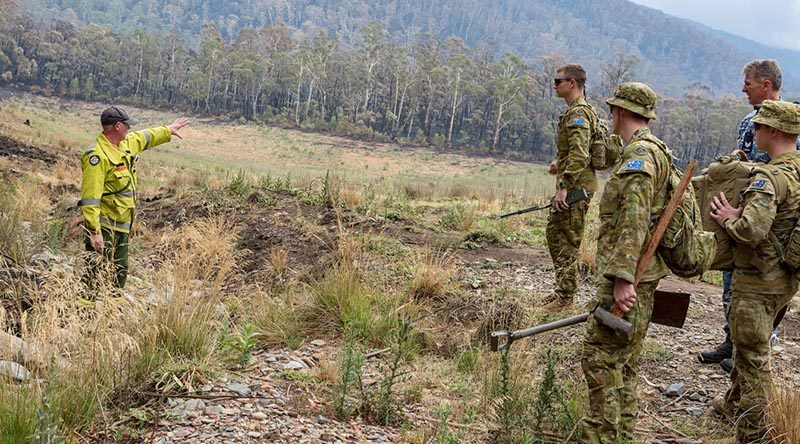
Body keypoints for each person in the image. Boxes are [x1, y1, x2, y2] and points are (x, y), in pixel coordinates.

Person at [579, 82, 671, 442]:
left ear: (620, 112)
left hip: (630, 277)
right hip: (641, 275)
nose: (611, 114)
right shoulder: (655, 151)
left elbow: (634, 218)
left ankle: (601, 435)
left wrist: (622, 278)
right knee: (625, 363)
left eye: (613, 109)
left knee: (601, 359)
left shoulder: (640, 158)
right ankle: (621, 434)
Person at [706, 100, 800, 444]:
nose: (753, 131)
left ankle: (755, 431)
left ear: (773, 131)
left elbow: (752, 230)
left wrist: (729, 217)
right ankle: (734, 405)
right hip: (785, 278)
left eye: (758, 127)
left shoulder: (769, 175)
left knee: (752, 357)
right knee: (751, 346)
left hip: (758, 279)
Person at [699, 59, 797, 372]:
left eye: (749, 84)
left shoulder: (792, 126)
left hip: (771, 226)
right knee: (733, 283)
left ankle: (754, 347)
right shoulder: (747, 122)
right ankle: (733, 341)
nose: (743, 89)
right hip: (741, 217)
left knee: (760, 295)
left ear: (766, 85)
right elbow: (741, 163)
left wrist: (753, 211)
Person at [79, 106, 189, 291]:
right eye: (127, 125)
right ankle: (85, 313)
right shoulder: (96, 156)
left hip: (122, 224)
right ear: (117, 126)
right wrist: (94, 232)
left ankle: (112, 311)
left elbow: (146, 136)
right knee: (94, 273)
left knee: (120, 271)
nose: (129, 129)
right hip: (104, 227)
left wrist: (169, 130)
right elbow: (90, 198)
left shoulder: (126, 143)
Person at [544, 64, 598, 309]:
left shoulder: (578, 114)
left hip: (576, 190)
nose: (555, 85)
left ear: (572, 83)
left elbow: (579, 154)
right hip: (575, 184)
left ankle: (565, 298)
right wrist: (560, 163)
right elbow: (574, 152)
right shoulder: (575, 112)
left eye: (558, 81)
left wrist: (564, 186)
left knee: (566, 239)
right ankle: (562, 292)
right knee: (556, 234)